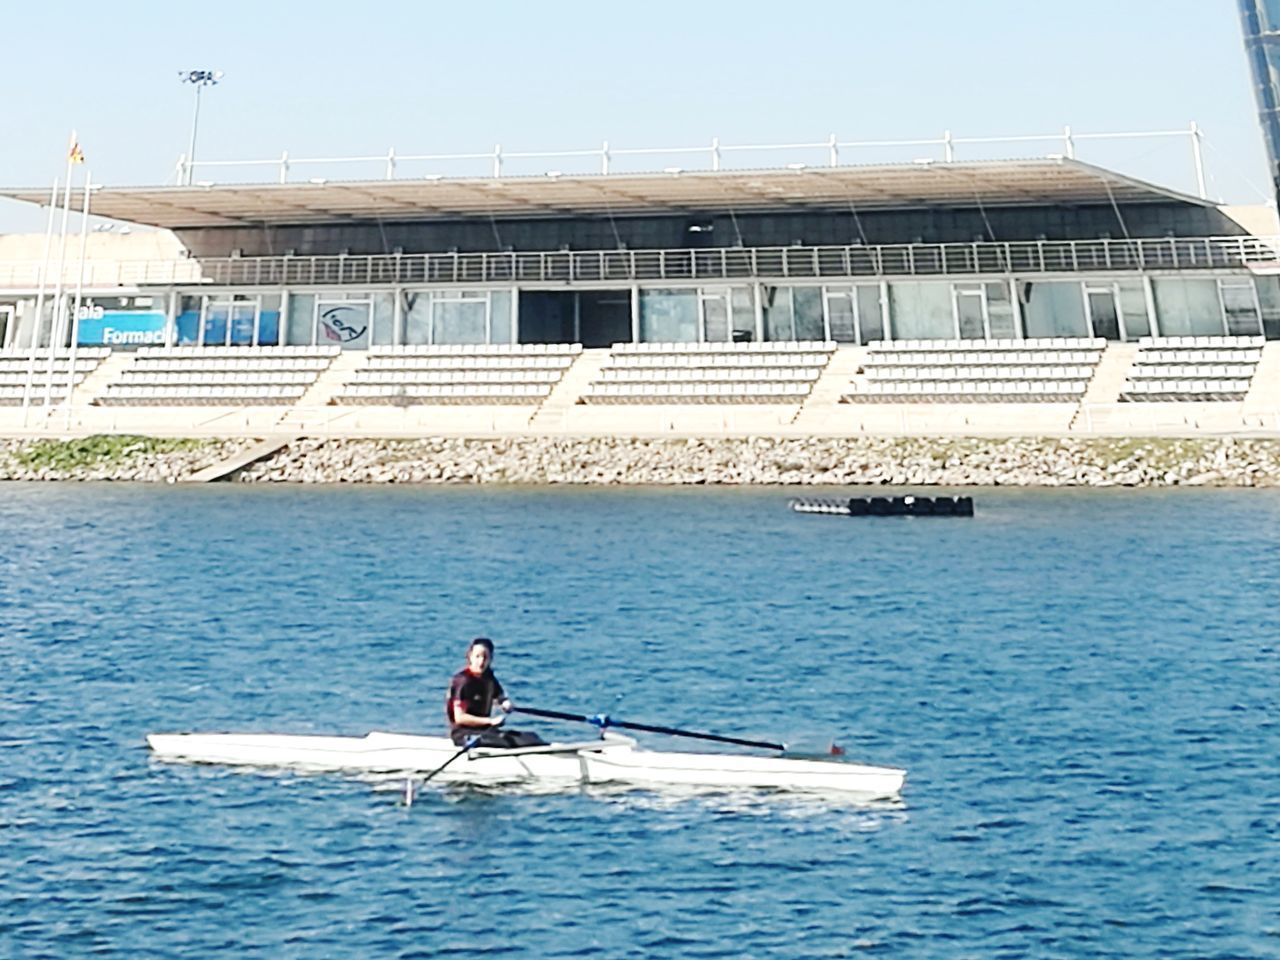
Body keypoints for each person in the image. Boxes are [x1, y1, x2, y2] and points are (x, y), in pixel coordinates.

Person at [445, 637, 545, 748]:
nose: (481, 662)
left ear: (491, 659)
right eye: (477, 656)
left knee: (530, 738)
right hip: (464, 734)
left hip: (485, 731)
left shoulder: (488, 677)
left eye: (485, 657)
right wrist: (490, 721)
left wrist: (505, 703)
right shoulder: (462, 681)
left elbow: (500, 696)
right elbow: (460, 718)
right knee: (505, 742)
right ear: (470, 657)